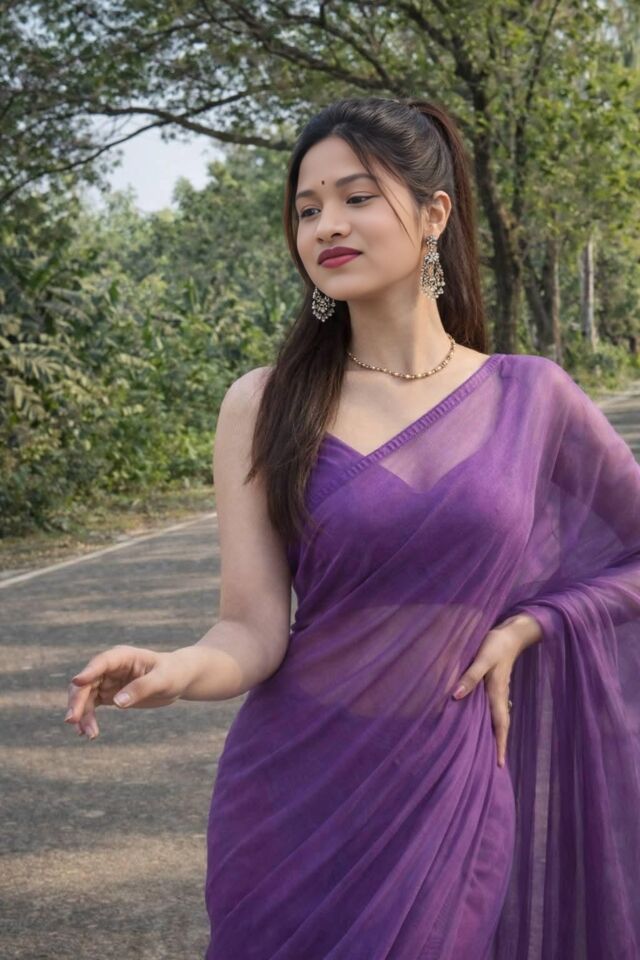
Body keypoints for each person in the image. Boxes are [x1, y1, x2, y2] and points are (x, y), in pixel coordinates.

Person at [64, 97, 640, 959]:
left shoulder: (532, 396)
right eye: (307, 209)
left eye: (356, 197)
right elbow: (252, 629)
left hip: (445, 788)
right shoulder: (265, 403)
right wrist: (176, 668)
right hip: (290, 794)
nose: (326, 225)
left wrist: (529, 626)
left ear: (434, 214)